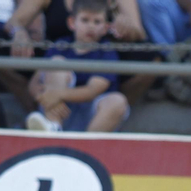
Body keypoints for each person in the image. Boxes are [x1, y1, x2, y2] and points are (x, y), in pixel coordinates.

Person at [24, 0, 132, 133]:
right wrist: (46, 96)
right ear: (71, 22)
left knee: (118, 101)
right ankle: (53, 127)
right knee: (57, 63)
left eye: (97, 22)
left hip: (92, 116)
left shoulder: (107, 51)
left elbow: (93, 90)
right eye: (85, 20)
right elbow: (34, 84)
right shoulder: (60, 46)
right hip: (60, 110)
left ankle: (86, 145)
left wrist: (57, 94)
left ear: (106, 27)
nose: (91, 26)